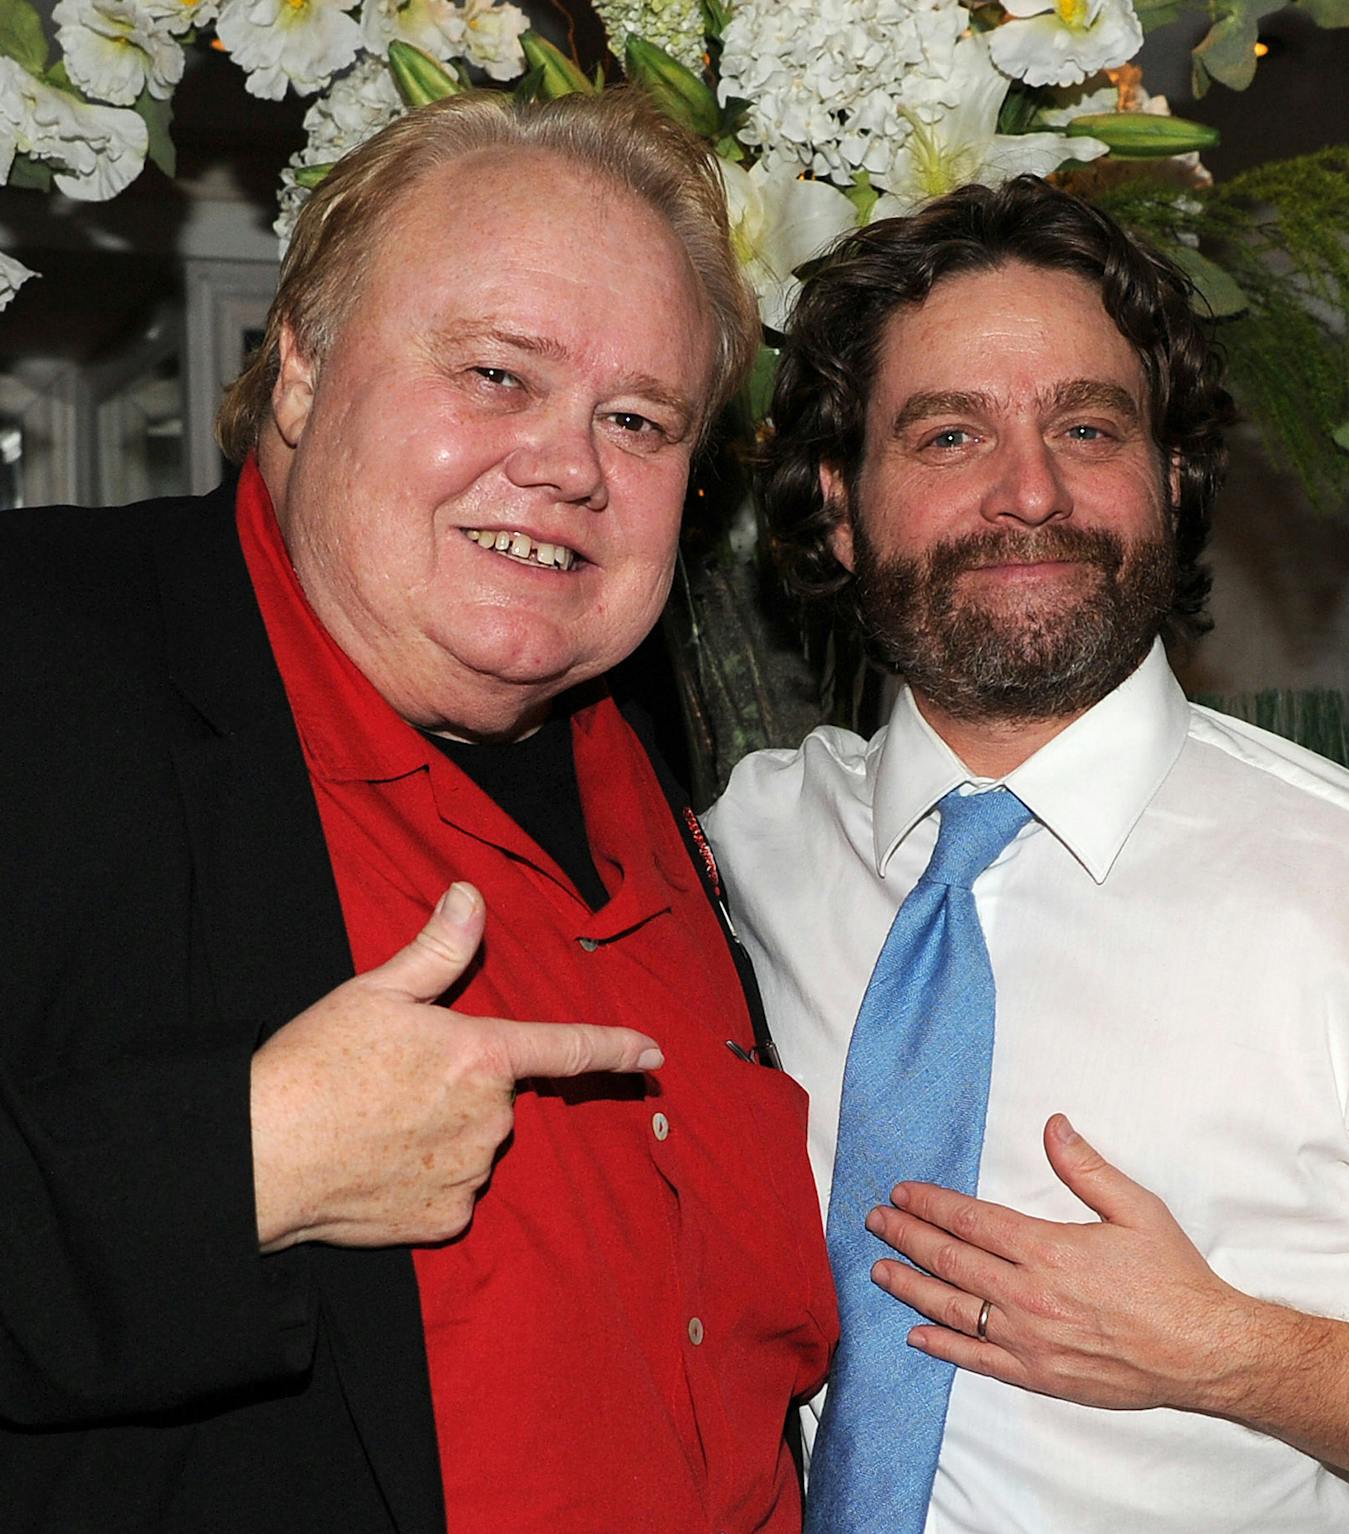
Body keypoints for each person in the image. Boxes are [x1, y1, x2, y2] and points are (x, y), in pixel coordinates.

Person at [0, 90, 835, 1532]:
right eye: (499, 375)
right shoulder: (39, 658)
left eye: (637, 419)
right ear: (305, 370)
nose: (570, 464)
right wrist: (248, 1159)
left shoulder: (660, 781)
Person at [703, 175, 1349, 1533]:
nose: (1029, 490)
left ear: (1167, 478)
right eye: (950, 433)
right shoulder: (738, 852)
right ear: (841, 505)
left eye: (1086, 425)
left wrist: (1230, 1348)